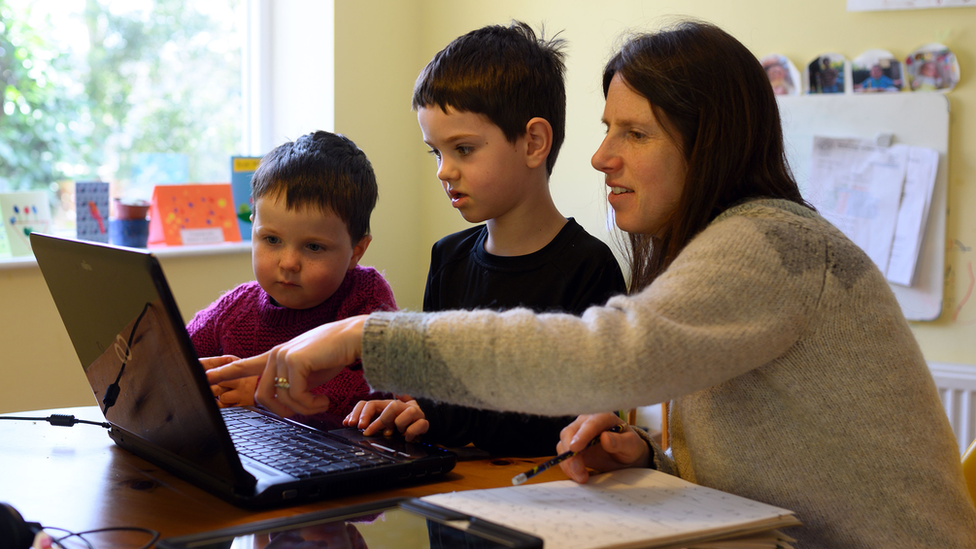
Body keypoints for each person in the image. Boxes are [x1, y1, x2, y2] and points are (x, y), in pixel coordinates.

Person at [208, 20, 976, 548]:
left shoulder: (771, 241)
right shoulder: (713, 252)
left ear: (707, 144)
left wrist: (358, 336)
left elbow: (607, 354)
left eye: (632, 133)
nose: (601, 156)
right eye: (607, 129)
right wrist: (640, 447)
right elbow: (766, 452)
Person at [342, 21, 626, 456]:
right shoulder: (448, 259)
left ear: (533, 142)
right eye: (436, 152)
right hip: (450, 503)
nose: (443, 171)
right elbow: (433, 396)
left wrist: (448, 418)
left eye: (464, 149)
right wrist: (406, 410)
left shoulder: (589, 267)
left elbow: (584, 424)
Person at [189, 130, 396, 427]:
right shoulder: (236, 309)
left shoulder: (365, 298)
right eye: (271, 240)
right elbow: (172, 355)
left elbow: (378, 390)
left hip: (334, 460)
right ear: (254, 227)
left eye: (313, 247)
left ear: (356, 251)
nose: (288, 263)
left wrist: (265, 388)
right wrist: (190, 378)